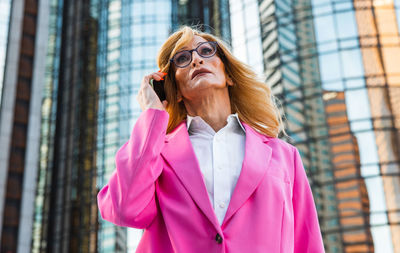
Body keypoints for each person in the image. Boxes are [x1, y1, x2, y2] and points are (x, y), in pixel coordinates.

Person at [97, 26, 325, 253]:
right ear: (175, 91)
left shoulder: (284, 155)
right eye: (182, 58)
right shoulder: (157, 153)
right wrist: (152, 117)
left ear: (229, 76)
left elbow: (307, 242)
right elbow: (122, 209)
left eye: (206, 51)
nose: (196, 59)